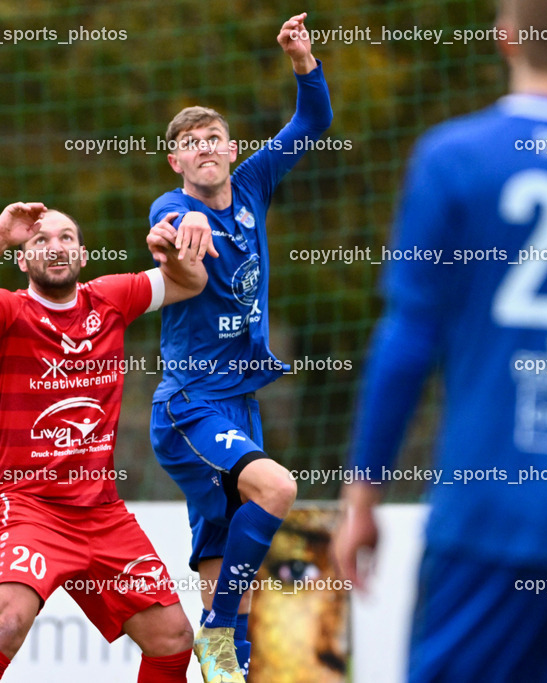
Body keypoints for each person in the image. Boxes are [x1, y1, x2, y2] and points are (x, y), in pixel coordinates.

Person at [332, 1, 547, 681]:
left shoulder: (454, 158)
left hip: (489, 513)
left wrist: (363, 493)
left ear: (506, 38)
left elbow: (406, 342)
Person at [0, 202, 210, 682]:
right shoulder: (8, 311)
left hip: (101, 513)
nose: (55, 247)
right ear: (23, 260)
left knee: (174, 638)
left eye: (66, 238)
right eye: (40, 240)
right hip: (30, 506)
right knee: (6, 623)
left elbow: (192, 282)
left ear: (82, 254)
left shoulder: (112, 298)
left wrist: (181, 238)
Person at [147, 12, 332, 683]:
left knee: (227, 569)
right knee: (278, 487)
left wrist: (302, 60)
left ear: (230, 149)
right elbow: (165, 231)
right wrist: (177, 235)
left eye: (212, 139)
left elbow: (312, 121)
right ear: (176, 161)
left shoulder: (252, 185)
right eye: (189, 144)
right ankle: (217, 630)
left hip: (240, 405)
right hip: (190, 405)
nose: (203, 148)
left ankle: (227, 666)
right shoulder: (173, 205)